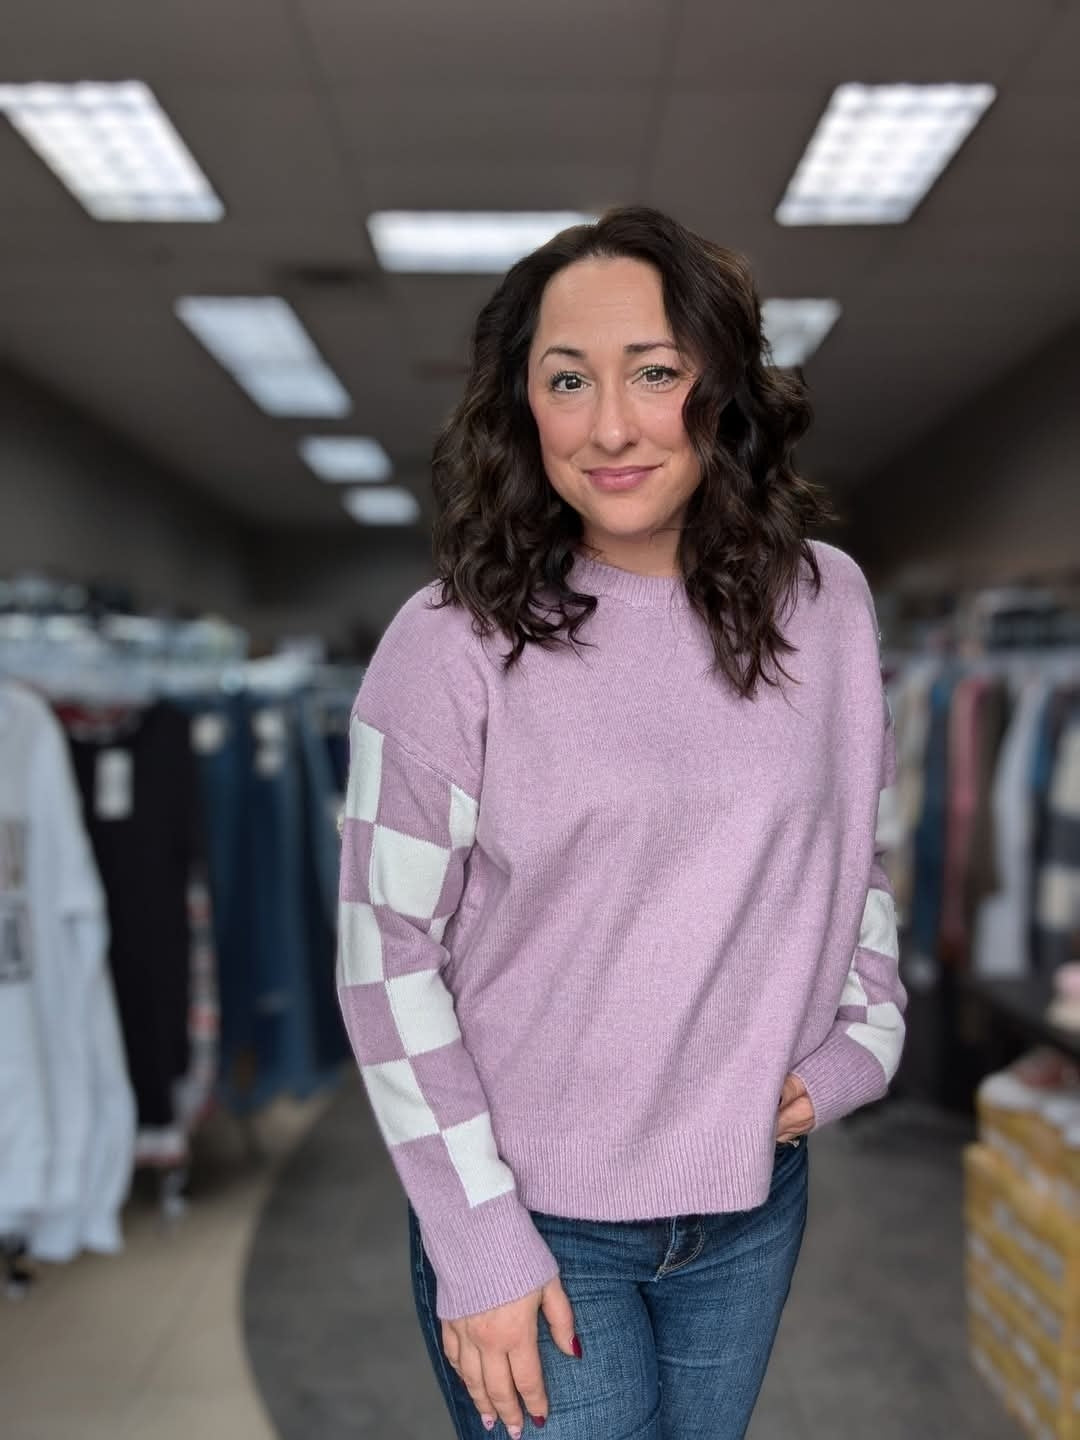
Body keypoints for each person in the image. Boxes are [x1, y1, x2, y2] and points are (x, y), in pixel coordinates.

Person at [336, 206, 906, 1440]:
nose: (610, 425)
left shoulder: (830, 606)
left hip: (749, 1202)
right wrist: (478, 1236)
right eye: (567, 379)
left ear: (724, 389)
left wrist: (866, 1038)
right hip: (535, 1212)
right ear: (519, 406)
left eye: (656, 373)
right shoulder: (449, 642)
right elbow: (382, 953)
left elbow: (855, 847)